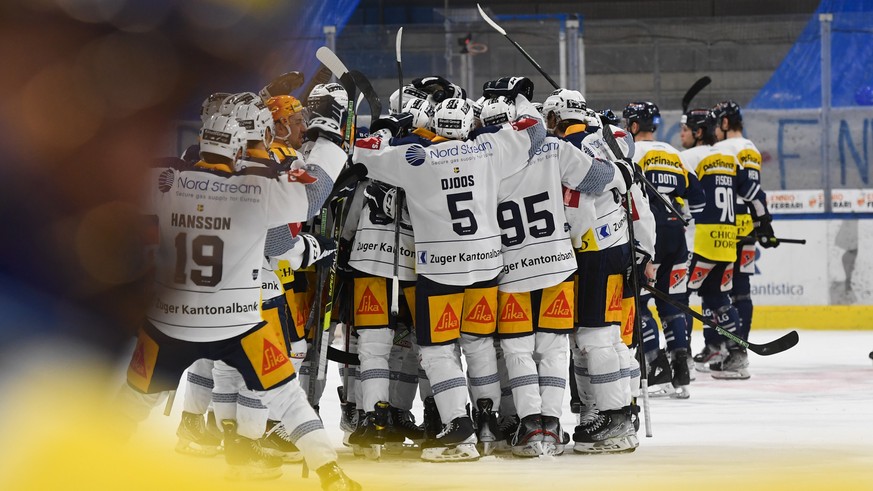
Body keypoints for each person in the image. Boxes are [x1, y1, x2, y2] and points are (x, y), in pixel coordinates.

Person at [116, 109, 361, 489]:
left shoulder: (168, 179)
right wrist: (329, 143)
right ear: (238, 146)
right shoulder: (254, 188)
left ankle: (89, 460)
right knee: (287, 398)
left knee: (132, 401)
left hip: (169, 321)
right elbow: (311, 197)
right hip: (236, 322)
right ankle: (330, 472)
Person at [352, 75, 545, 462]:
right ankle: (487, 420)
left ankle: (458, 426)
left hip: (441, 270)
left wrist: (393, 129)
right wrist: (518, 100)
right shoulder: (488, 148)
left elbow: (359, 155)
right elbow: (535, 133)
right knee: (477, 345)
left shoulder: (414, 157)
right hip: (487, 266)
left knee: (437, 351)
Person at [480, 94, 626, 457]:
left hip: (512, 268)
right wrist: (623, 171)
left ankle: (531, 425)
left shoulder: (481, 159)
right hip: (558, 265)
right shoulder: (553, 148)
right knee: (554, 348)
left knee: (517, 349)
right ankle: (553, 426)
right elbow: (594, 182)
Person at [545, 88, 651, 455]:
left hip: (592, 252)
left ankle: (613, 418)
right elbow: (637, 201)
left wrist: (564, 245)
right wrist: (645, 249)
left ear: (557, 117)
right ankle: (620, 407)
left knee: (594, 338)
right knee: (606, 337)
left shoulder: (569, 148)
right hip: (618, 247)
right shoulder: (606, 140)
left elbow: (577, 205)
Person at [681, 107, 770, 381]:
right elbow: (754, 194)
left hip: (700, 240)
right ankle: (735, 353)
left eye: (685, 130)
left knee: (677, 296)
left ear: (697, 132)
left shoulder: (686, 158)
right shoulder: (729, 158)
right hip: (727, 241)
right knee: (718, 298)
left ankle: (680, 359)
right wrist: (764, 222)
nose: (681, 134)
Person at [624, 101, 704, 398]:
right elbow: (698, 198)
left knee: (640, 302)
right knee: (674, 302)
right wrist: (681, 218)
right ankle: (681, 370)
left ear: (633, 126)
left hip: (649, 238)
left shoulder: (631, 153)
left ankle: (656, 369)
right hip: (676, 237)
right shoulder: (674, 153)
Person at [707, 101, 778, 379]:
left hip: (723, 229)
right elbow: (755, 193)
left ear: (725, 123)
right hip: (748, 227)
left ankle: (727, 349)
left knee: (717, 290)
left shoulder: (722, 150)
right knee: (742, 289)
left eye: (716, 124)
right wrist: (764, 224)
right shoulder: (751, 149)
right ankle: (740, 346)